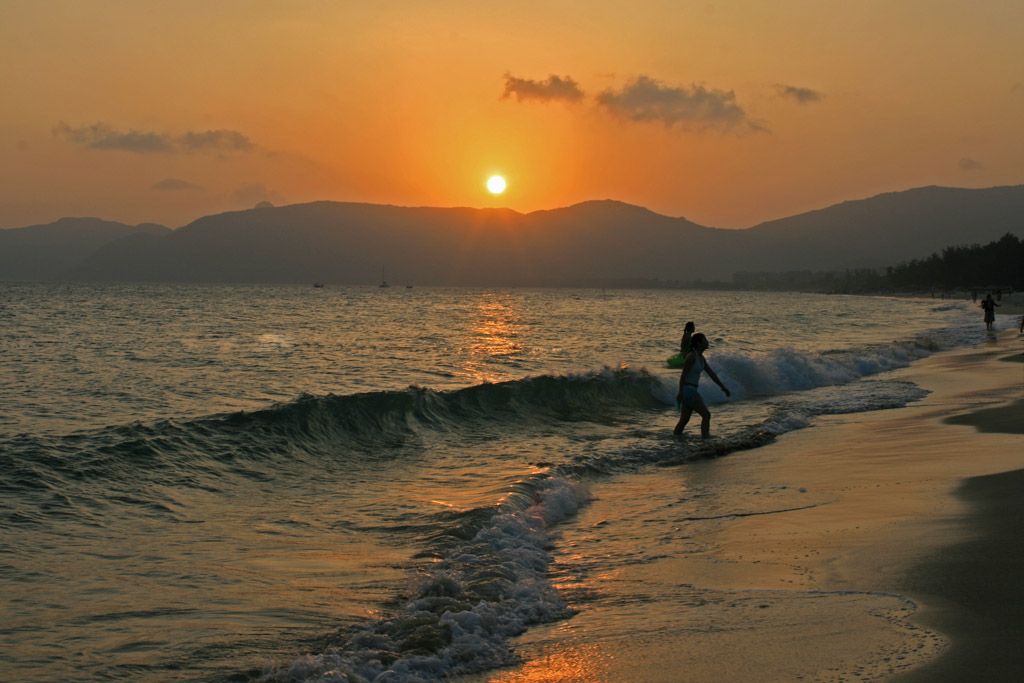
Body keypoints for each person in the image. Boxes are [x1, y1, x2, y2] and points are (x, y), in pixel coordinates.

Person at [673, 333, 730, 438]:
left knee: (684, 420)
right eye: (705, 340)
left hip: (691, 390)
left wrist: (723, 387)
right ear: (699, 343)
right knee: (706, 415)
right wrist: (680, 392)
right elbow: (683, 375)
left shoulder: (701, 358)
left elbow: (711, 374)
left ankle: (675, 439)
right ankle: (705, 439)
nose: (707, 342)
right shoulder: (691, 357)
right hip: (688, 390)